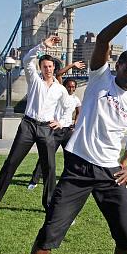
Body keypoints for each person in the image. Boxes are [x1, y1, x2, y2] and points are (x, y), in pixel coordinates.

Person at [1, 3, 127, 254]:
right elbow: (103, 39)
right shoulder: (101, 78)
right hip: (77, 168)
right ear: (116, 67)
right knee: (50, 231)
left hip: (111, 174)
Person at [0, 35, 71, 216]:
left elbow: (68, 107)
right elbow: (27, 58)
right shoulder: (34, 79)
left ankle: (49, 206)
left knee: (50, 168)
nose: (48, 70)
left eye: (50, 67)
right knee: (11, 163)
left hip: (46, 128)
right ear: (40, 68)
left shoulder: (60, 89)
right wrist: (43, 45)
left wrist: (61, 122)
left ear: (54, 68)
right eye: (44, 67)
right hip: (28, 125)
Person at [27, 61, 85, 190]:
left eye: (73, 87)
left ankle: (67, 179)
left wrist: (75, 124)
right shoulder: (59, 90)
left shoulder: (76, 99)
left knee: (70, 156)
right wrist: (72, 65)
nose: (71, 88)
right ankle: (34, 180)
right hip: (55, 129)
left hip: (68, 131)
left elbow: (79, 112)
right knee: (46, 155)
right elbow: (59, 73)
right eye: (69, 86)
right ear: (64, 86)